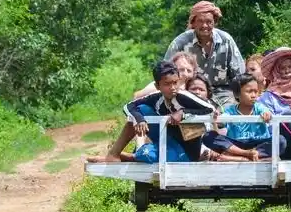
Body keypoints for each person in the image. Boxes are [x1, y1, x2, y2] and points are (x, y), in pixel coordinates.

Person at [87, 61, 215, 163]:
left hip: (186, 150)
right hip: (166, 139)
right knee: (142, 109)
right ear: (157, 86)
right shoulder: (156, 98)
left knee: (146, 154)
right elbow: (128, 106)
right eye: (167, 84)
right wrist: (139, 119)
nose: (172, 88)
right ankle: (113, 155)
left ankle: (131, 157)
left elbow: (210, 109)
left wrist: (183, 113)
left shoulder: (184, 96)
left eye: (175, 82)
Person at [165, 1, 245, 107]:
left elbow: (240, 76)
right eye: (200, 21)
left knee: (228, 115)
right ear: (193, 23)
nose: (205, 25)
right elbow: (166, 72)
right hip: (190, 92)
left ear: (215, 22)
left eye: (209, 21)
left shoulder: (226, 40)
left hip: (223, 95)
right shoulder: (180, 42)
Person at [203, 73, 286, 160]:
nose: (254, 95)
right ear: (237, 94)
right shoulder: (230, 110)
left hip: (258, 144)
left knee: (281, 140)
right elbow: (222, 120)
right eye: (249, 91)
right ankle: (246, 154)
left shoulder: (259, 107)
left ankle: (239, 157)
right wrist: (218, 117)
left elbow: (266, 112)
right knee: (208, 136)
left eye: (256, 91)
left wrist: (267, 114)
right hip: (236, 145)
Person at [132, 51, 197, 100]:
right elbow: (137, 96)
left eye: (189, 71)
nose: (185, 74)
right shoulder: (157, 86)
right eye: (181, 70)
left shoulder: (196, 87)